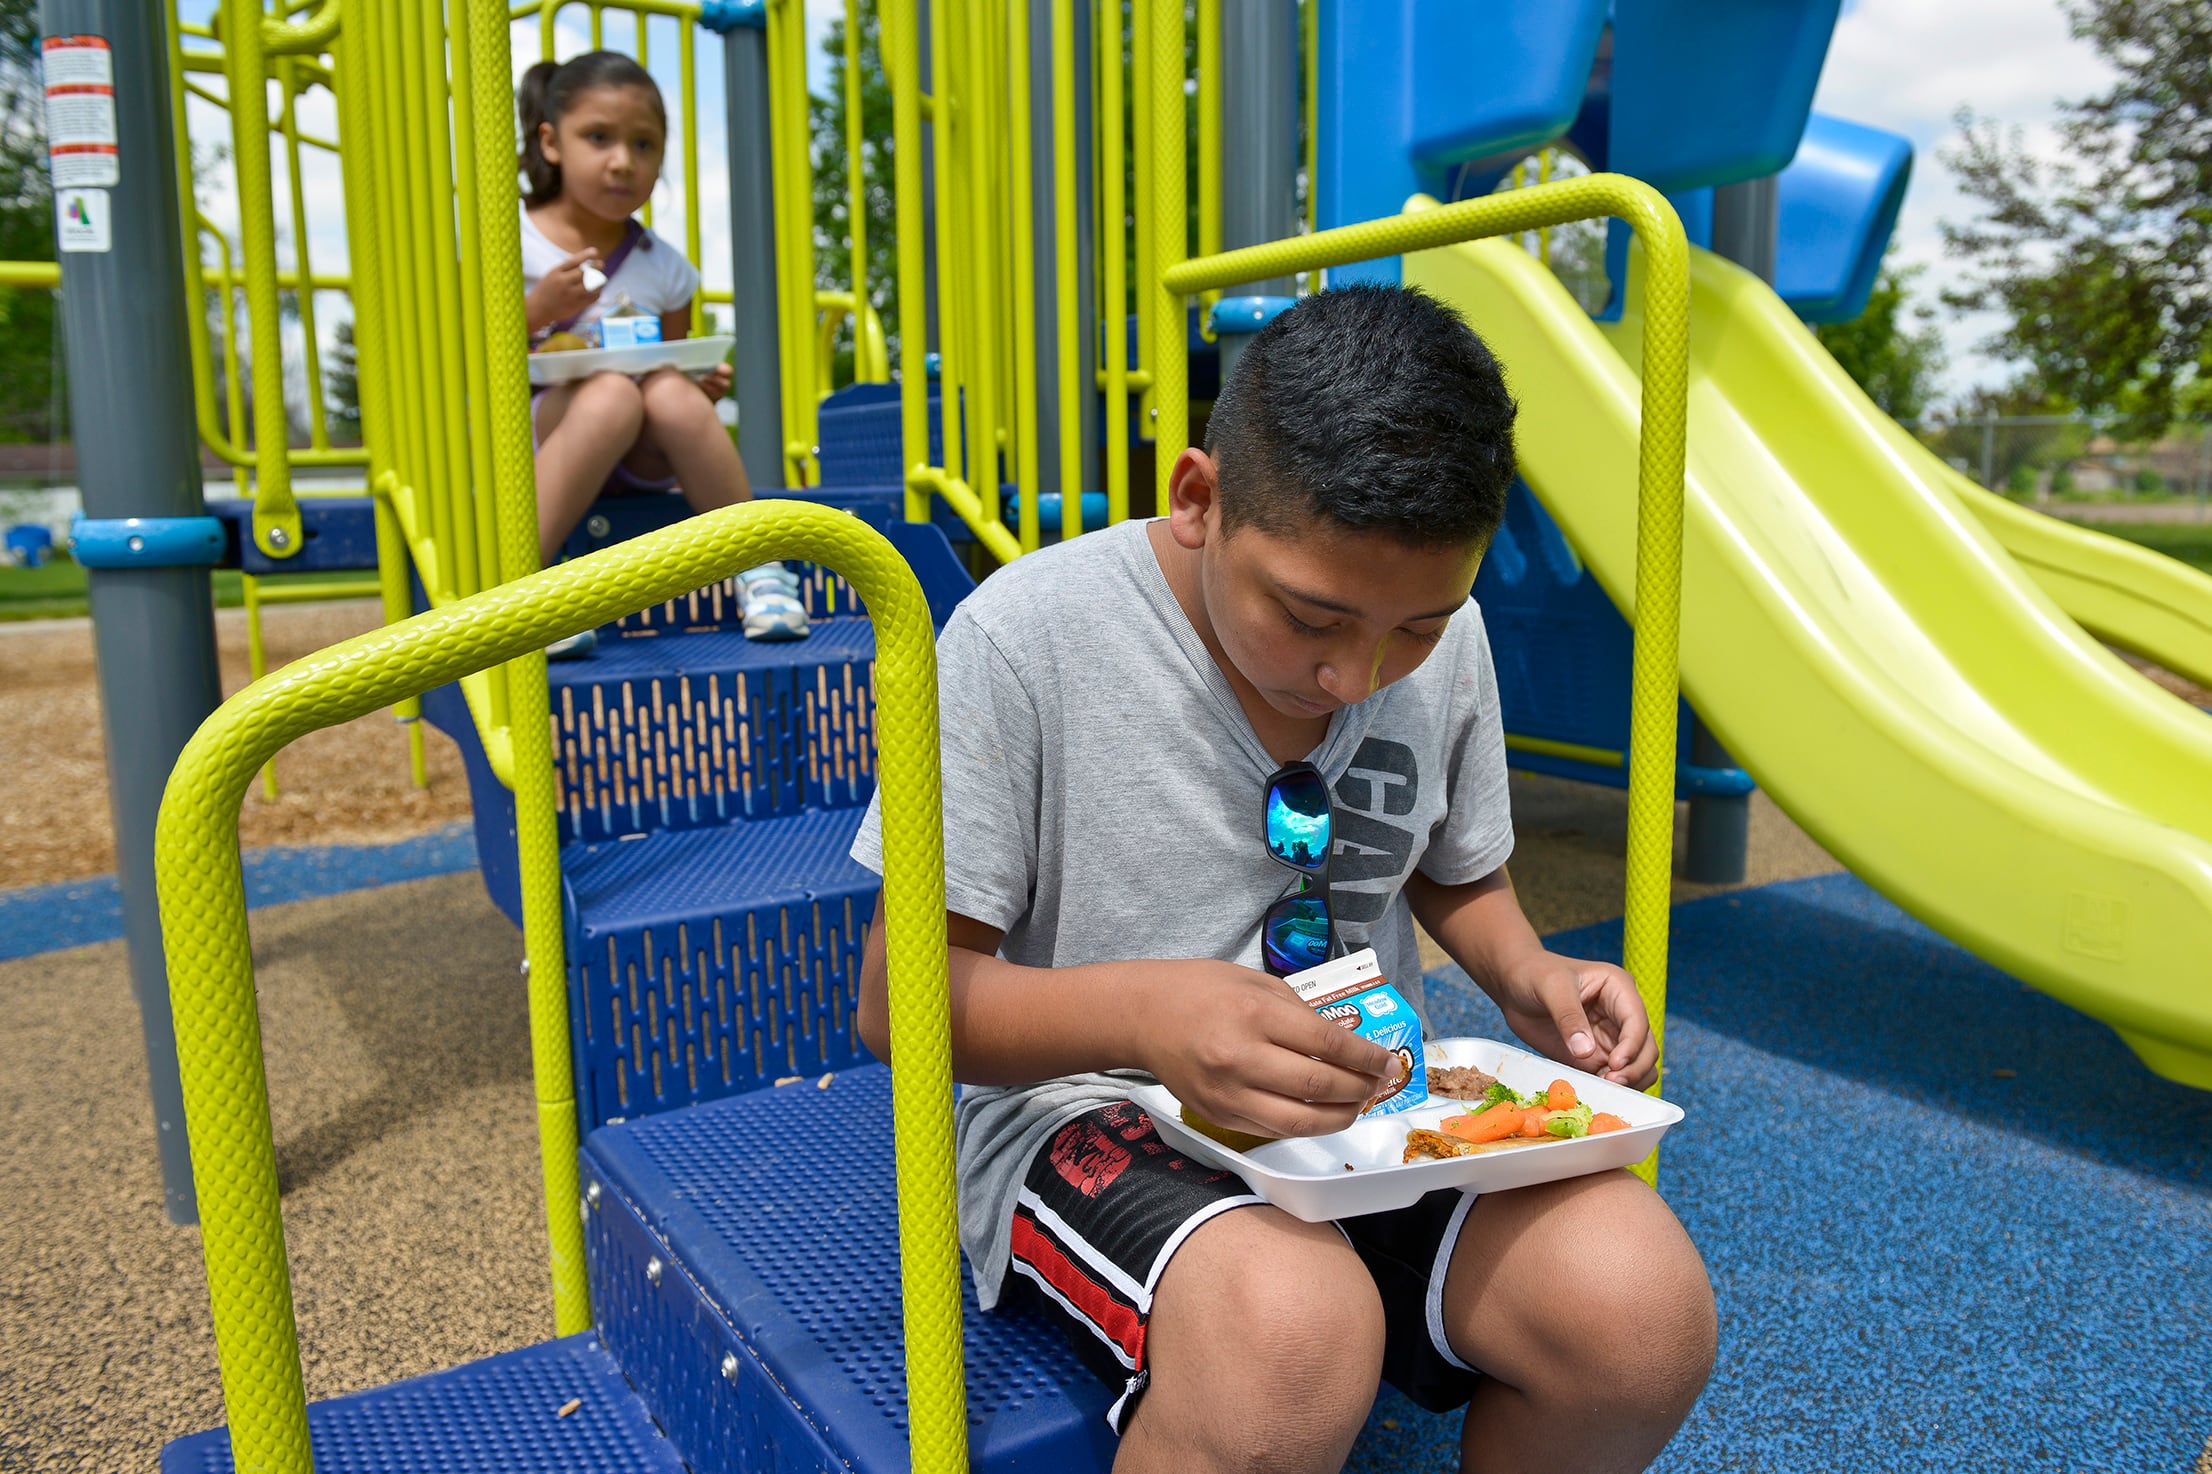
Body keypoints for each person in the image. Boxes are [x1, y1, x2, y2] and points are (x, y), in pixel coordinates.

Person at [850, 286, 1717, 1474]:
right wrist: (1151, 1017)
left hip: (1363, 1105)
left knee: (1641, 1311)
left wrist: (1529, 972)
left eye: (1413, 628)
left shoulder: (1444, 639)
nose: (1355, 672)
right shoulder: (1022, 640)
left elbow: (1456, 871)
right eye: (1311, 613)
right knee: (1292, 1335)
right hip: (1089, 1101)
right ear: (1198, 498)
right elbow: (899, 998)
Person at [517, 50, 805, 646]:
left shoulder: (664, 268)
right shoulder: (511, 238)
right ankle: (523, 586)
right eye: (598, 138)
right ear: (551, 143)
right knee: (611, 397)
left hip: (641, 455)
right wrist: (538, 310)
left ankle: (758, 568)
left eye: (644, 146)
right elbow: (470, 363)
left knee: (667, 392)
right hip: (543, 442)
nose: (623, 162)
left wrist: (696, 384)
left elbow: (662, 366)